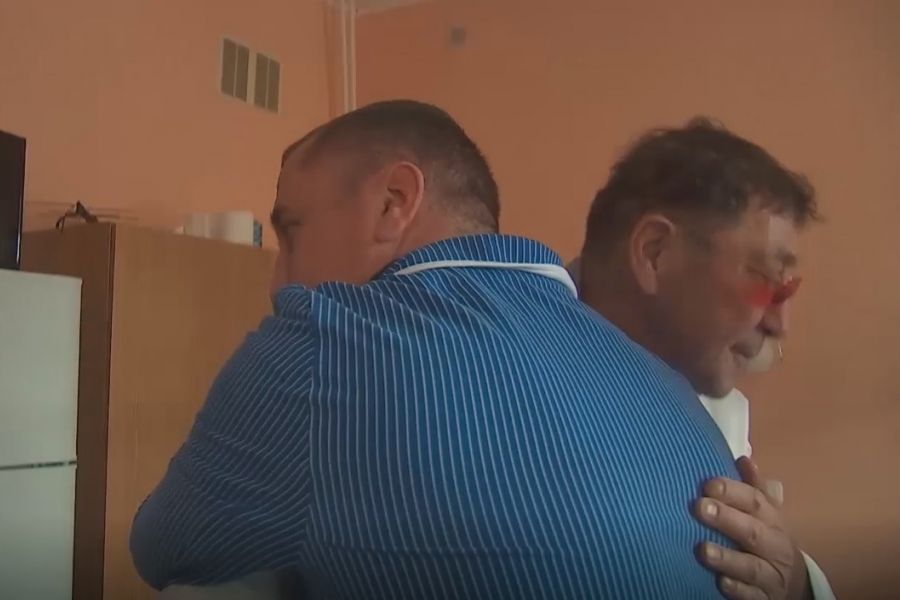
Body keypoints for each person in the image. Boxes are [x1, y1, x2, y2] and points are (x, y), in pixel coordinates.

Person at [129, 100, 742, 599]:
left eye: (292, 231)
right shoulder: (676, 396)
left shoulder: (326, 339)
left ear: (393, 202)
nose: (277, 281)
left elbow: (164, 549)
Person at [572, 117, 835, 600]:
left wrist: (797, 583)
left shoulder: (724, 419)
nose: (780, 325)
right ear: (655, 252)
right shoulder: (481, 370)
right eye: (765, 281)